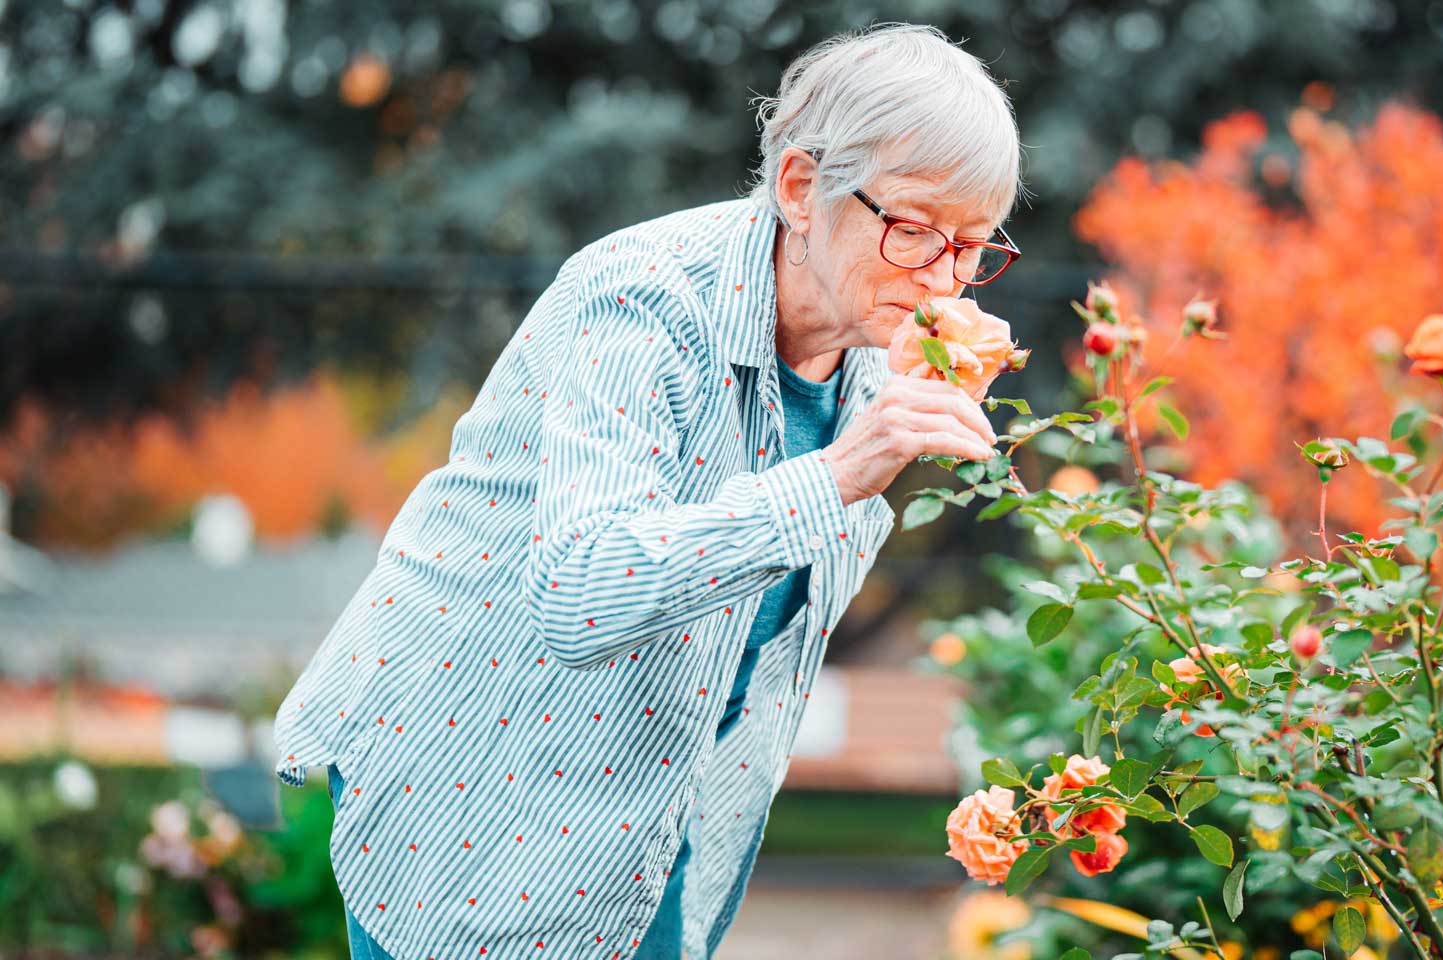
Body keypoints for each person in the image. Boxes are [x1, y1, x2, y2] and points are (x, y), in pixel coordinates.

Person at [270, 22, 1026, 960]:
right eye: (914, 230)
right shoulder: (640, 300)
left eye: (974, 246)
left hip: (653, 810)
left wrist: (868, 463)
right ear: (800, 187)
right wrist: (841, 473)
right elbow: (579, 592)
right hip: (472, 781)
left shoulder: (878, 359)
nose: (947, 277)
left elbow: (790, 592)